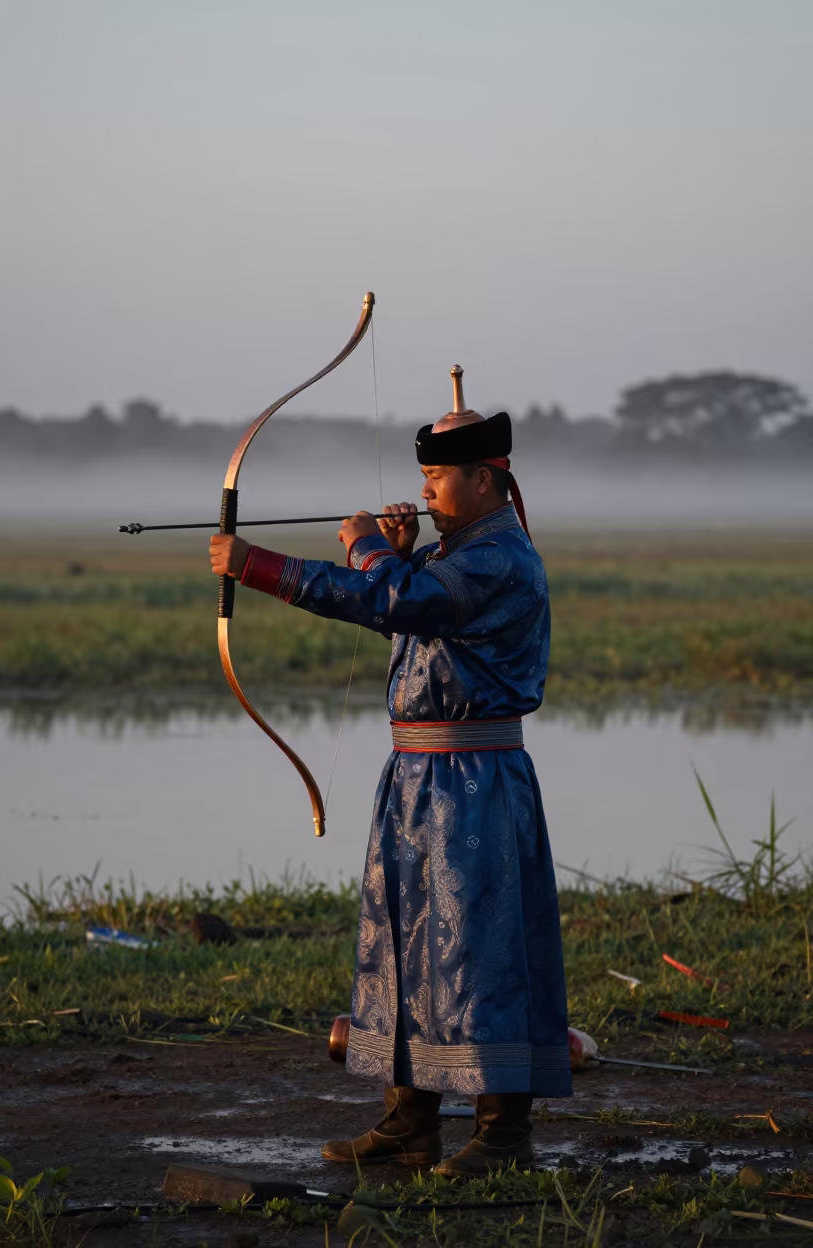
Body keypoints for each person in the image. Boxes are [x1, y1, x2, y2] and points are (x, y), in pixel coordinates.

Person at [210, 370, 570, 1177]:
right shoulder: (451, 557)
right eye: (424, 479)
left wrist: (339, 554)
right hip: (415, 780)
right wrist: (395, 561)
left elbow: (406, 605)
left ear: (486, 480)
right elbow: (411, 623)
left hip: (475, 782)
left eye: (439, 479)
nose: (427, 492)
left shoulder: (500, 559)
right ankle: (410, 1120)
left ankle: (503, 1132)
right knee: (406, 946)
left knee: (479, 951)